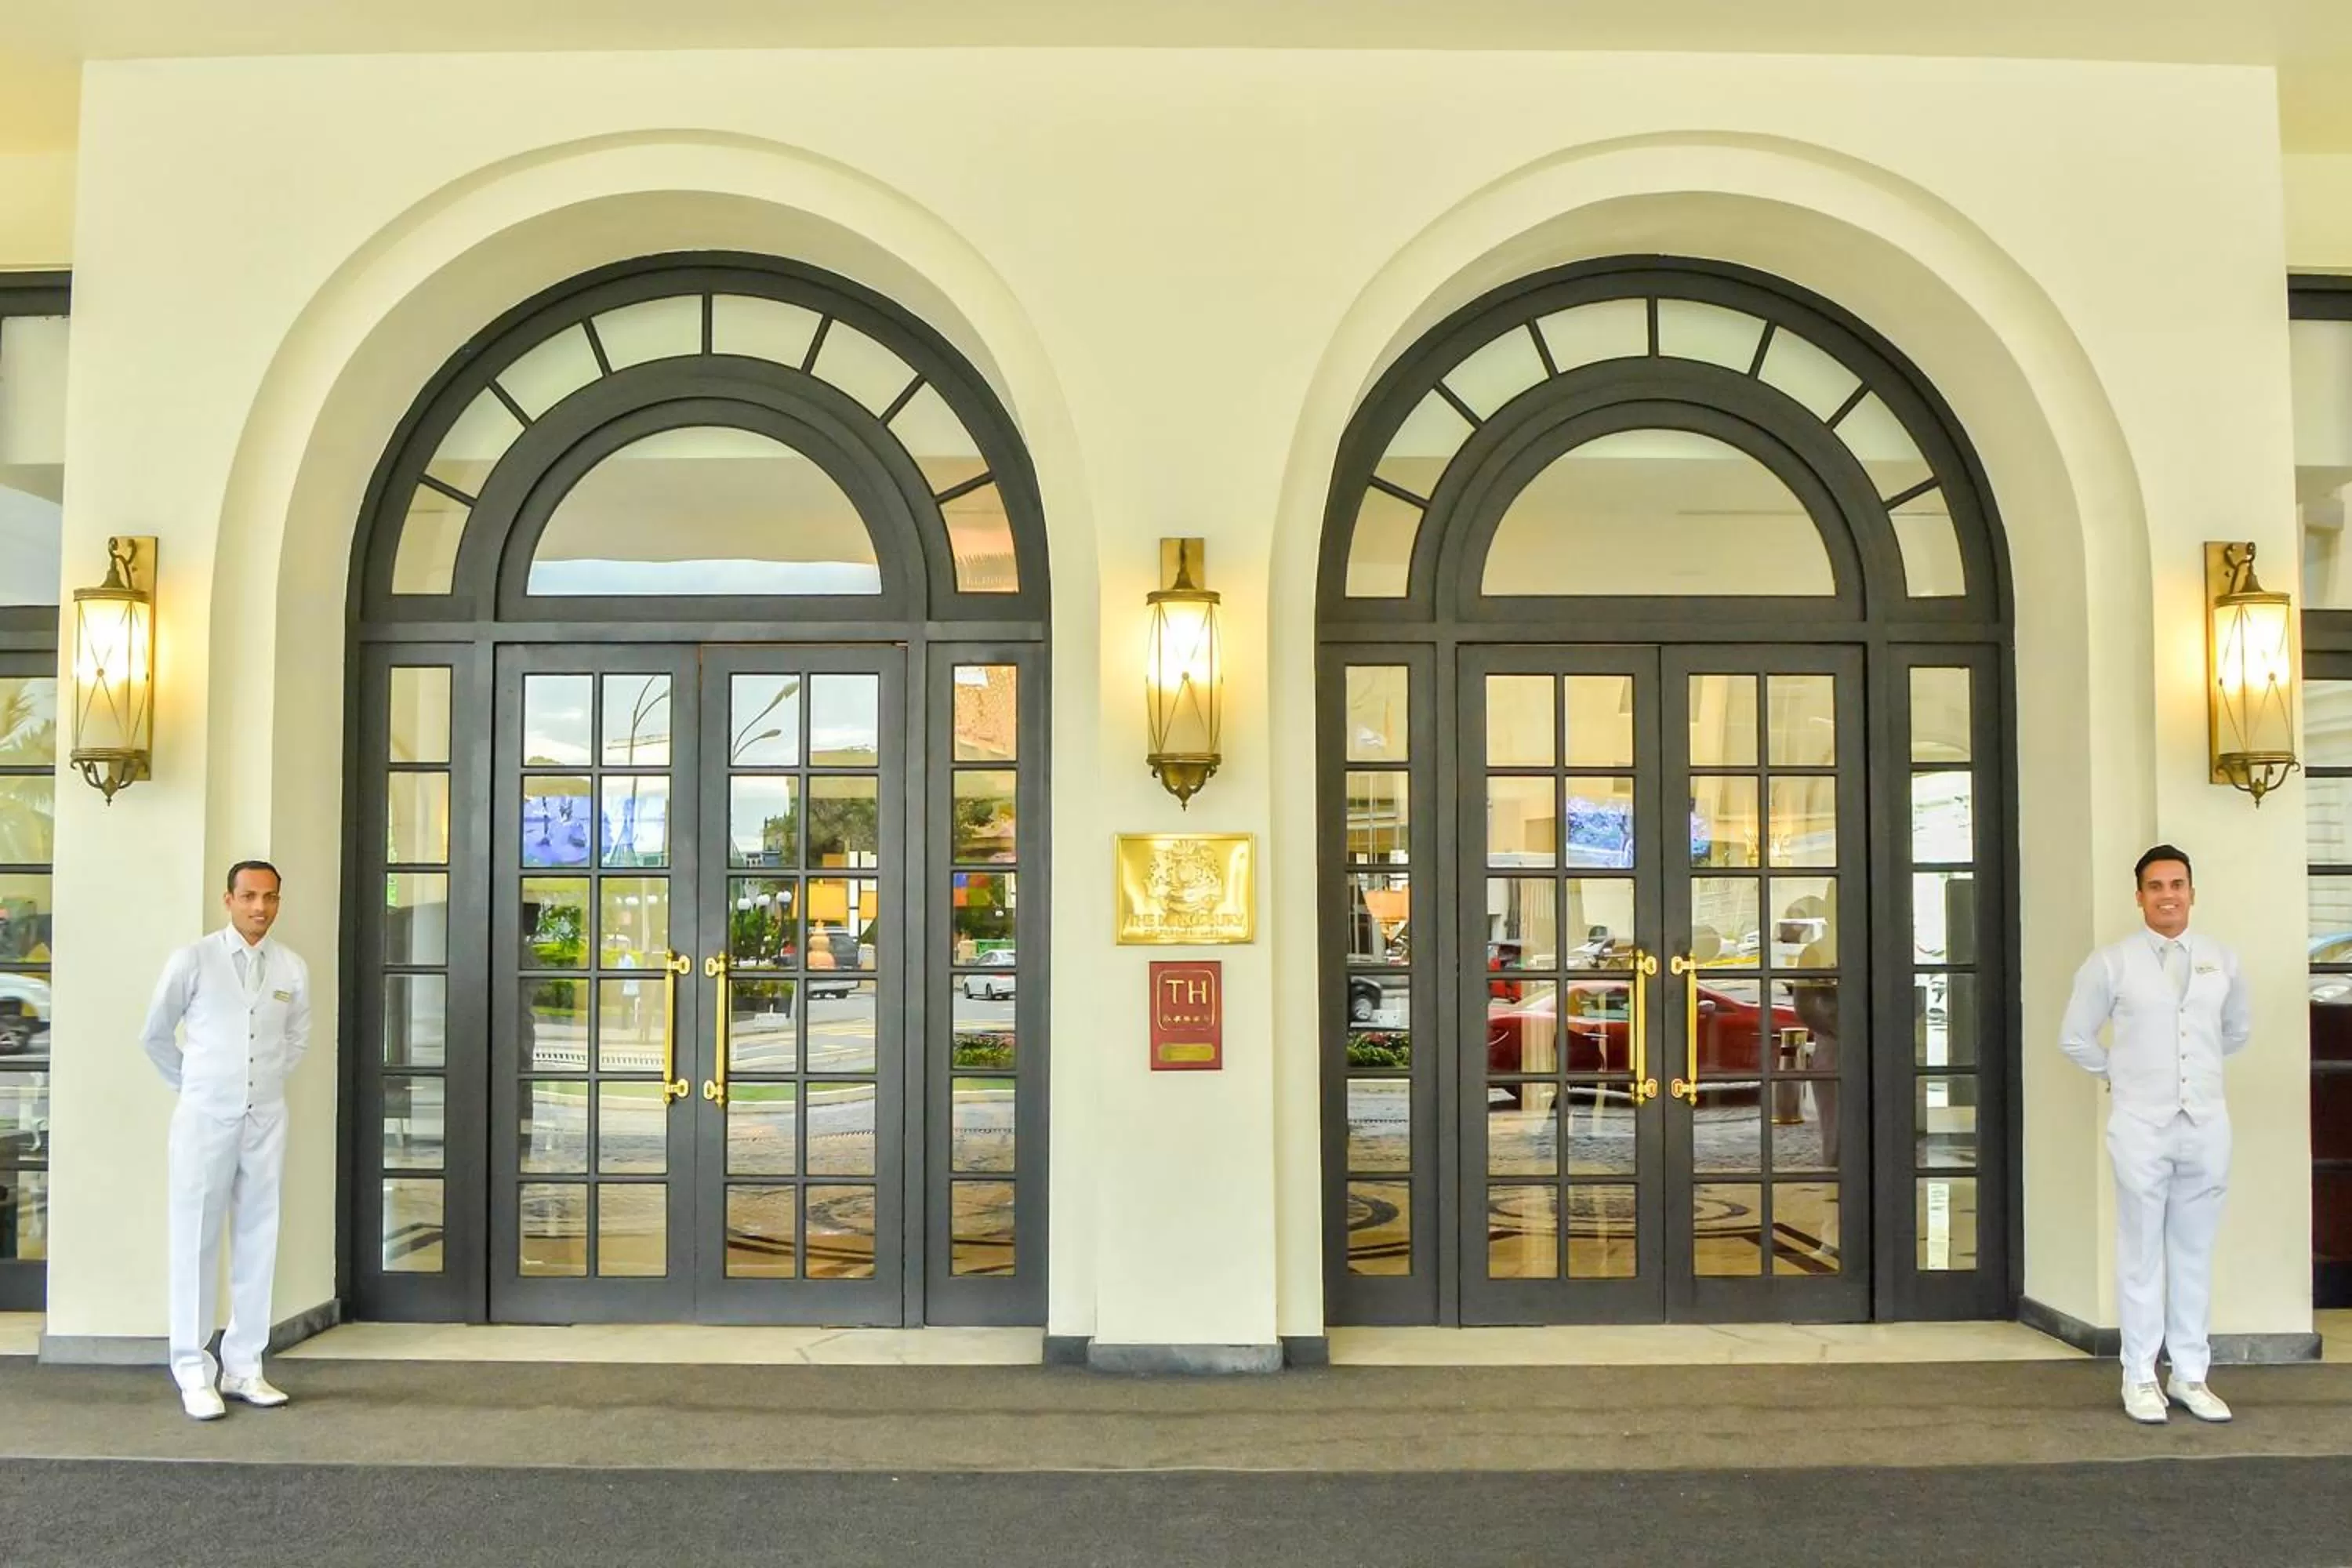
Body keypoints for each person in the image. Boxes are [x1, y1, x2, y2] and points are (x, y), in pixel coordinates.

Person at [2058, 844, 2249, 1425]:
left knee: (2194, 1252)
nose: (2168, 895)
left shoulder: (2222, 960)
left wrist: (2193, 1080)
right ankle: (2139, 1374)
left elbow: (2235, 1032)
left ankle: (2191, 1373)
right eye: (2156, 886)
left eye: (2177, 884)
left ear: (2192, 891)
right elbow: (2075, 1037)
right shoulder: (2111, 963)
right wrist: (2122, 1075)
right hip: (2141, 1126)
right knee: (2141, 1250)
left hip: (2206, 1124)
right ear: (2139, 896)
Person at [140, 861, 311, 1421]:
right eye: (249, 896)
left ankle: (245, 1365)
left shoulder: (290, 967)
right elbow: (155, 1035)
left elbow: (296, 1039)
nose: (260, 907)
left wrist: (257, 1085)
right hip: (204, 1117)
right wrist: (197, 1086)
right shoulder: (193, 960)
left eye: (270, 897)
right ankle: (193, 1369)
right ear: (229, 899)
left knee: (259, 1234)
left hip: (265, 1118)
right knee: (195, 1237)